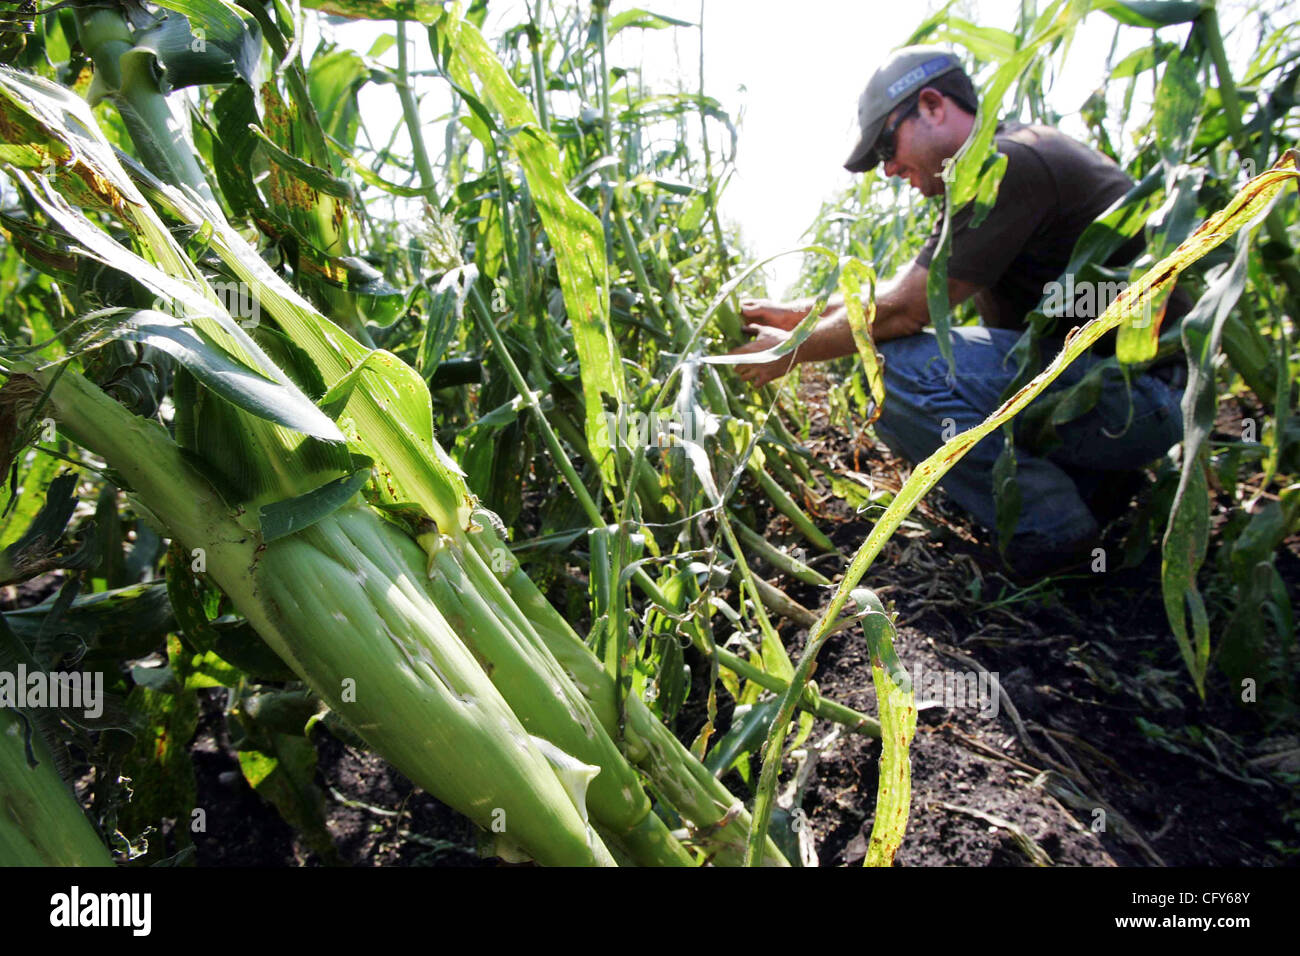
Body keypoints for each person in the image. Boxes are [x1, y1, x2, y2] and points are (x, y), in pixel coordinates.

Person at [725, 46, 1188, 578]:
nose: (890, 169)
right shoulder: (984, 175)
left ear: (931, 105)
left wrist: (789, 352)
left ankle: (1056, 533)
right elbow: (907, 292)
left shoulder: (1009, 166)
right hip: (1118, 390)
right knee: (920, 378)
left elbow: (902, 314)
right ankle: (1094, 487)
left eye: (886, 146)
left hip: (1139, 396)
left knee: (896, 373)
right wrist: (794, 314)